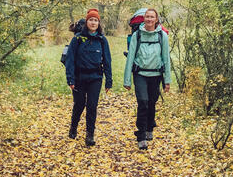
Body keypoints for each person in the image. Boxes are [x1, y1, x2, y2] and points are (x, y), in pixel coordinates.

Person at [123, 8, 171, 150]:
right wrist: (127, 80)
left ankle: (150, 126)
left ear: (156, 20)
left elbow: (166, 59)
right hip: (140, 75)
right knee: (143, 102)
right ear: (144, 19)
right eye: (147, 17)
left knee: (151, 102)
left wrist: (167, 80)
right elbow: (130, 57)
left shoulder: (163, 36)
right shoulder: (137, 36)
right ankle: (141, 135)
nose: (149, 19)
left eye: (152, 17)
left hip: (156, 75)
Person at [64, 9, 112, 146]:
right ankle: (73, 127)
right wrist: (70, 79)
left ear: (99, 23)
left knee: (92, 106)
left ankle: (90, 135)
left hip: (95, 77)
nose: (93, 22)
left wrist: (109, 80)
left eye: (96, 20)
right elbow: (70, 60)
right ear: (87, 22)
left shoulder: (102, 40)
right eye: (91, 20)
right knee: (79, 104)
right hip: (79, 77)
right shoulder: (78, 39)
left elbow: (107, 61)